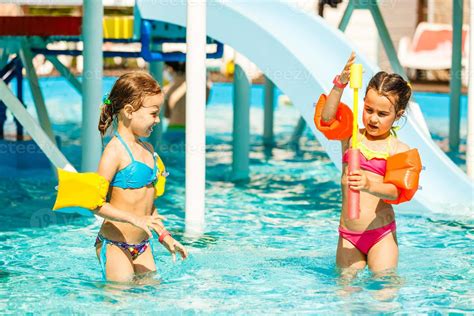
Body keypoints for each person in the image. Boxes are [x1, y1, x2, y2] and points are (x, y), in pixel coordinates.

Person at [314, 53, 421, 275]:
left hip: (380, 234)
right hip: (348, 236)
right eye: (369, 110)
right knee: (345, 292)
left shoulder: (398, 149)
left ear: (397, 115)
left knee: (384, 288)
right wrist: (339, 85)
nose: (373, 118)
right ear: (363, 103)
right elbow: (326, 119)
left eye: (382, 114)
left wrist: (369, 184)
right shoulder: (351, 136)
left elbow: (396, 191)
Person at [92, 72, 187, 282]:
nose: (158, 119)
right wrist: (134, 219)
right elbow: (94, 203)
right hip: (115, 244)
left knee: (151, 297)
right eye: (153, 113)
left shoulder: (148, 149)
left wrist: (165, 236)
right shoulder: (114, 152)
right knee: (121, 301)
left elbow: (148, 207)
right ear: (129, 111)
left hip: (142, 245)